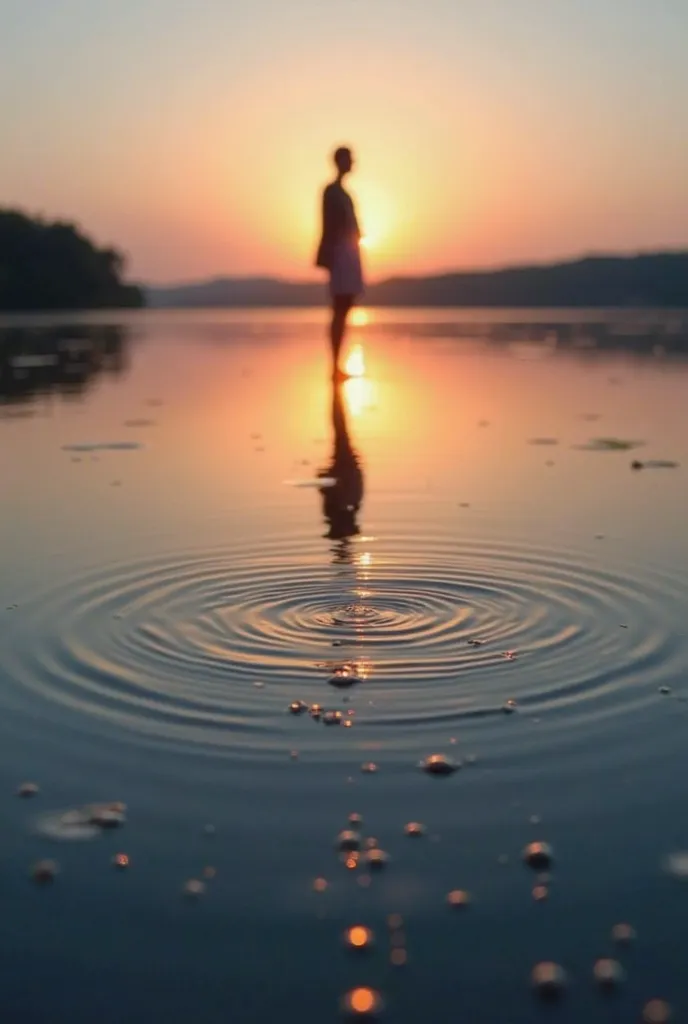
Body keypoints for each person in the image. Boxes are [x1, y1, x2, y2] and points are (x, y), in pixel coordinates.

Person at [315, 146, 364, 381]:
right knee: (340, 308)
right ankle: (334, 365)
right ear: (340, 161)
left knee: (344, 308)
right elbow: (327, 225)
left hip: (348, 254)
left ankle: (336, 365)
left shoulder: (342, 192)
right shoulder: (332, 192)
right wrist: (327, 255)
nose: (352, 163)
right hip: (340, 254)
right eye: (349, 159)